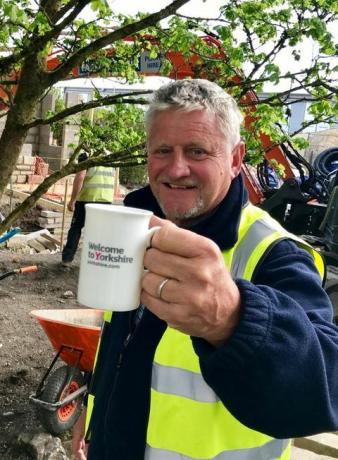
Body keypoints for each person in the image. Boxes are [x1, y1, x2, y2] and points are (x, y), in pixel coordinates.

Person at [72, 79, 338, 460]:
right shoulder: (135, 229)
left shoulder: (273, 252)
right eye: (162, 150)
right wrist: (93, 418)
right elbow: (123, 348)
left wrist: (232, 318)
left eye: (197, 151)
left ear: (234, 159)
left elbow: (323, 389)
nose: (177, 168)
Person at [62, 153, 115, 265]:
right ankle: (97, 261)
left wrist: (72, 200)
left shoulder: (87, 154)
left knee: (76, 228)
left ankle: (67, 259)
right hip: (106, 200)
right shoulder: (112, 154)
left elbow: (80, 177)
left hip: (87, 199)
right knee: (100, 232)